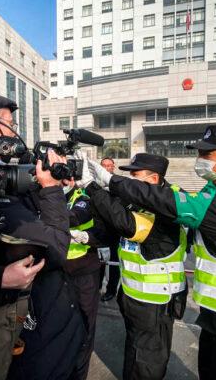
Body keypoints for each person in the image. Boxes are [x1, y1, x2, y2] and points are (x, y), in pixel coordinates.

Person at [85, 124, 216, 380]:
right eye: (199, 154)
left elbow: (167, 202)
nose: (200, 160)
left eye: (207, 155)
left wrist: (110, 181)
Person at [0, 88, 83, 380]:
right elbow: (57, 249)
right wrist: (50, 190)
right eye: (11, 125)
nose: (15, 133)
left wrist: (52, 185)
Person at [82, 153, 188, 380]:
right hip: (133, 295)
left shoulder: (169, 204)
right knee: (134, 352)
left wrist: (91, 187)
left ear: (153, 179)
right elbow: (110, 219)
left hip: (155, 301)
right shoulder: (141, 201)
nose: (129, 179)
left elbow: (127, 224)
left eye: (135, 175)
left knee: (147, 361)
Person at [62, 178, 107, 379]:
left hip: (83, 271)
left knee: (84, 324)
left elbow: (74, 217)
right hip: (56, 270)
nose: (62, 180)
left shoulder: (83, 199)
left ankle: (78, 372)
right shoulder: (43, 196)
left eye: (66, 176)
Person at [99, 156, 122, 302]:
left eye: (109, 165)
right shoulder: (93, 181)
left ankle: (111, 290)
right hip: (98, 229)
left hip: (114, 230)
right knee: (99, 261)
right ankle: (96, 287)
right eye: (104, 165)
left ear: (113, 167)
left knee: (113, 262)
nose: (107, 168)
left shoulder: (119, 183)